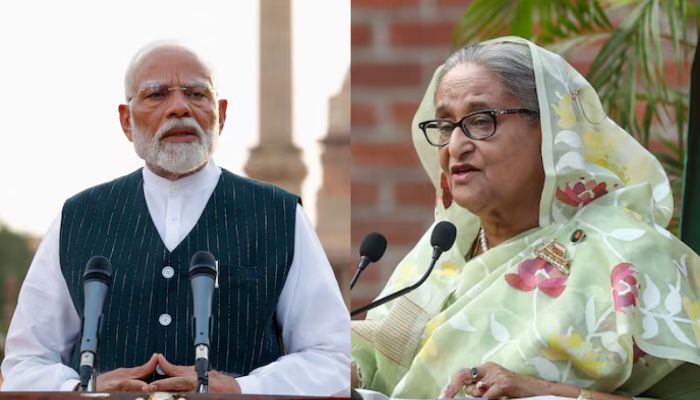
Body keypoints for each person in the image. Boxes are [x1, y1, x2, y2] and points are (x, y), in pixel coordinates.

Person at [351, 36, 700, 399]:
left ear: (550, 131)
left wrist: (548, 392)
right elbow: (376, 358)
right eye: (445, 126)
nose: (455, 146)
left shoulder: (630, 253)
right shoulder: (439, 252)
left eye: (481, 120)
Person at [1, 41, 349, 395]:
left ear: (222, 115)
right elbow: (25, 362)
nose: (179, 107)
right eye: (156, 95)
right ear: (126, 120)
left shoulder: (278, 216)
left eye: (197, 94)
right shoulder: (78, 218)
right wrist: (81, 388)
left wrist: (242, 388)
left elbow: (329, 357)